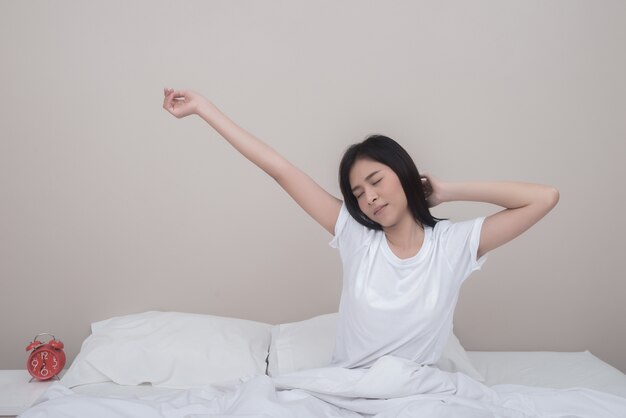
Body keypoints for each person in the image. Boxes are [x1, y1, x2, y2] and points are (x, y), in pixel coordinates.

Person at [162, 88, 559, 371]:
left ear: (402, 173)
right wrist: (205, 109)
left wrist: (447, 191)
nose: (369, 197)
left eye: (376, 180)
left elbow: (545, 197)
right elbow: (280, 169)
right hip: (349, 390)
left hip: (416, 394)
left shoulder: (453, 245)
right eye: (358, 192)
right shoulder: (357, 236)